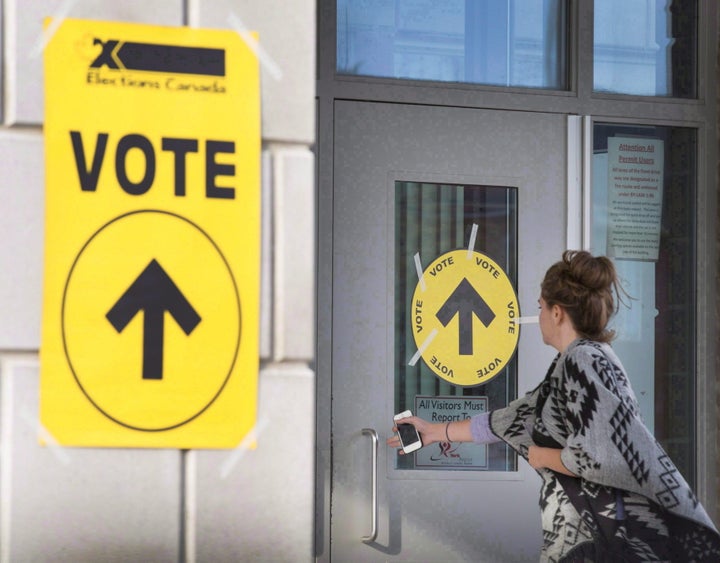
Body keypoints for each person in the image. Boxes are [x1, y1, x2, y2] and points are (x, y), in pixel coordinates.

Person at [387, 250, 720, 562]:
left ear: (557, 312)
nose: (539, 314)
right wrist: (433, 431)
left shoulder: (584, 360)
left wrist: (543, 456)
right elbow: (507, 421)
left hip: (602, 540)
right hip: (584, 535)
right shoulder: (573, 364)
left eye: (541, 306)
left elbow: (597, 453)